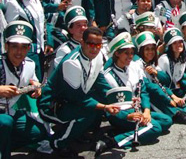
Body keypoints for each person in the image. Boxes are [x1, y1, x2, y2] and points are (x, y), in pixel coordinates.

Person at [38, 27, 120, 157]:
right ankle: (57, 143)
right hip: (51, 104)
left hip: (71, 99)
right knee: (87, 111)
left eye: (98, 45)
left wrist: (119, 98)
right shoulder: (72, 62)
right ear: (82, 42)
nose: (94, 48)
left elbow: (100, 82)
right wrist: (105, 107)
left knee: (99, 101)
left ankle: (77, 132)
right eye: (90, 44)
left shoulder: (97, 56)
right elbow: (78, 98)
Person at [98, 32, 172, 155]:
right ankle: (111, 142)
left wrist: (147, 111)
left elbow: (142, 91)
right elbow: (112, 107)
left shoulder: (134, 67)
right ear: (117, 53)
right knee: (155, 128)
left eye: (132, 53)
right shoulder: (108, 76)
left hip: (137, 111)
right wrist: (128, 116)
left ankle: (124, 131)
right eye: (126, 53)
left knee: (166, 121)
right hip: (121, 114)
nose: (130, 56)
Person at [0, 21, 47, 159]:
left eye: (24, 47)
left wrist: (36, 88)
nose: (19, 52)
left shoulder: (30, 65)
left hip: (11, 110)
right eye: (14, 46)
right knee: (5, 122)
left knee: (38, 132)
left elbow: (33, 80)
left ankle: (5, 145)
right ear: (6, 46)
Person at [135, 31, 186, 124]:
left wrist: (156, 73)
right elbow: (150, 87)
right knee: (157, 95)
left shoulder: (151, 63)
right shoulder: (137, 64)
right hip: (143, 96)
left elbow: (165, 81)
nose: (150, 52)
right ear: (141, 50)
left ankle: (180, 108)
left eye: (152, 49)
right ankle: (175, 114)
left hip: (156, 91)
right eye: (147, 49)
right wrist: (169, 98)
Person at [5, 0, 45, 80]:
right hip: (25, 52)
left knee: (39, 84)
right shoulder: (13, 3)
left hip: (40, 51)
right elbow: (11, 30)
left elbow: (42, 23)